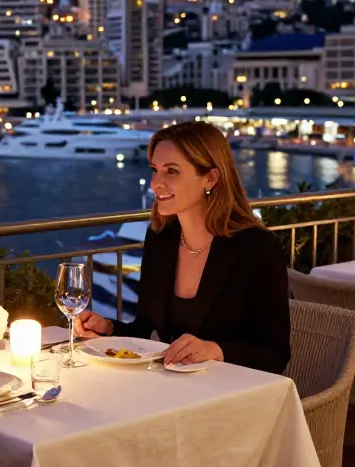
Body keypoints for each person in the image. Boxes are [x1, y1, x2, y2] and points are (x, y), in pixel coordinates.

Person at [76, 121, 291, 373]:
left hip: (234, 389)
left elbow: (275, 354)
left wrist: (215, 350)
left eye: (172, 171)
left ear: (210, 178)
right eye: (155, 170)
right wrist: (108, 330)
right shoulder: (161, 239)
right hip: (173, 386)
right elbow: (144, 329)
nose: (155, 183)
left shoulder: (256, 247)